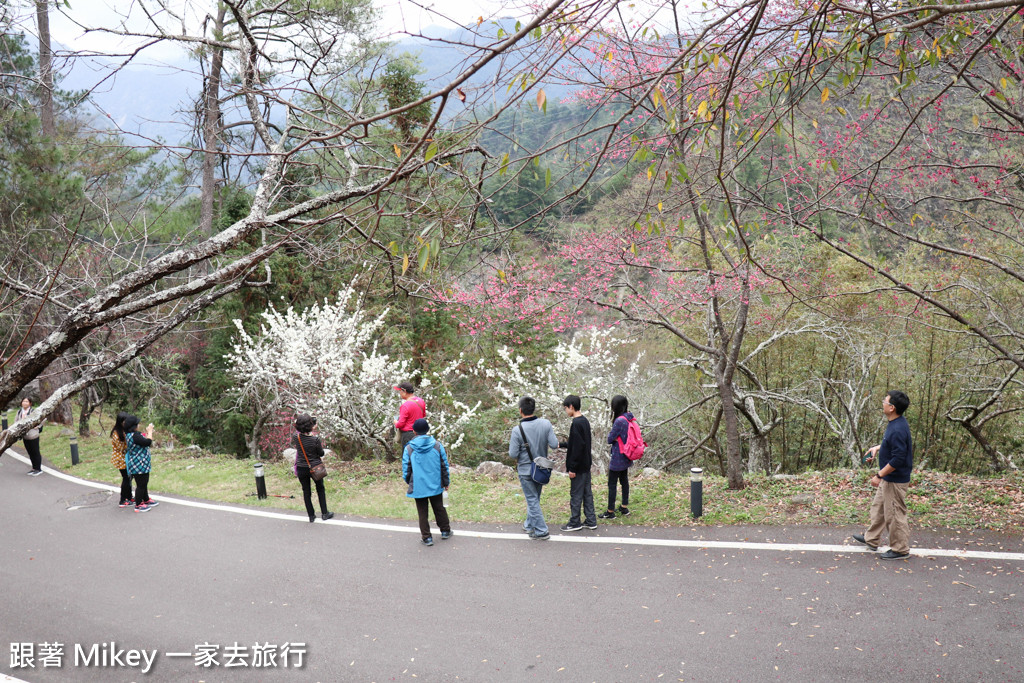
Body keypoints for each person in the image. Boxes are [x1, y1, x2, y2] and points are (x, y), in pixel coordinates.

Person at [852, 390, 914, 560]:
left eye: (885, 401)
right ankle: (871, 539)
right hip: (889, 478)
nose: (883, 403)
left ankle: (900, 549)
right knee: (878, 508)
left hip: (894, 479)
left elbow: (898, 458)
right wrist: (878, 448)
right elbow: (894, 445)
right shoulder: (896, 422)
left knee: (894, 514)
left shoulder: (897, 428)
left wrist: (879, 475)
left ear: (892, 407)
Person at [509, 396, 558, 540]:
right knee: (535, 498)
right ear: (533, 408)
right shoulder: (546, 424)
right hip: (541, 469)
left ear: (520, 410)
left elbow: (512, 454)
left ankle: (542, 531)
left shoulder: (517, 430)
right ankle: (529, 525)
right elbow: (554, 444)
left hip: (525, 470)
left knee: (532, 499)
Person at [402, 418, 452, 546]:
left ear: (414, 431)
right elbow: (444, 465)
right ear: (428, 430)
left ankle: (427, 538)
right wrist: (446, 482)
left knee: (422, 512)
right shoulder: (437, 445)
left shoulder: (409, 448)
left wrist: (410, 482)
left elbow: (406, 469)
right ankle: (445, 531)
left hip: (418, 485)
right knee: (439, 507)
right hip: (435, 483)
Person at [558, 395, 596, 532]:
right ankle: (591, 520)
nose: (565, 411)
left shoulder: (576, 423)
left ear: (571, 407)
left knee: (576, 494)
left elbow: (577, 448)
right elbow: (578, 443)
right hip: (586, 465)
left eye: (565, 408)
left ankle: (575, 522)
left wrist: (572, 468)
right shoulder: (584, 421)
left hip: (578, 467)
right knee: (587, 493)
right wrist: (561, 444)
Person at [293, 414, 333, 523]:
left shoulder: (296, 437)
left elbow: (299, 433)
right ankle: (325, 513)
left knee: (306, 491)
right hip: (315, 468)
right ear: (310, 426)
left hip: (301, 467)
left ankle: (311, 516)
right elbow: (321, 453)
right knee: (320, 489)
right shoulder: (315, 440)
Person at [600, 394, 634, 520]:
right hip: (627, 455)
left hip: (618, 457)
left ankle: (610, 511)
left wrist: (612, 435)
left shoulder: (619, 421)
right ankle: (624, 507)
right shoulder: (629, 417)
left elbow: (610, 439)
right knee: (624, 481)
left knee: (612, 483)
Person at [124, 415, 159, 513]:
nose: (138, 425)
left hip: (137, 463)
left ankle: (146, 499)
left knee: (143, 482)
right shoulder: (135, 435)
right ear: (134, 426)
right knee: (141, 484)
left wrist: (148, 432)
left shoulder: (130, 435)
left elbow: (142, 440)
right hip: (139, 464)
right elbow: (148, 442)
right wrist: (150, 431)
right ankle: (138, 504)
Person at [110, 411, 134, 507]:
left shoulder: (124, 430)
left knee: (129, 478)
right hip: (121, 458)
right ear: (120, 422)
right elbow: (122, 448)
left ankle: (129, 496)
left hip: (126, 457)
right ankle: (122, 499)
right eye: (124, 422)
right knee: (126, 478)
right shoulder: (116, 433)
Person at [393, 381, 426, 451]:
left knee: (408, 458)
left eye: (400, 391)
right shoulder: (421, 401)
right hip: (420, 434)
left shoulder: (405, 405)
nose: (399, 393)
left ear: (404, 391)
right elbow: (423, 415)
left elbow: (400, 424)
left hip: (408, 434)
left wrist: (396, 422)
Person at [16, 397, 44, 476]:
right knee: (30, 452)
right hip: (25, 436)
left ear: (30, 403)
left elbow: (43, 419)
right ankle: (33, 468)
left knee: (35, 452)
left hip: (33, 435)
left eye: (27, 401)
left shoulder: (33, 411)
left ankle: (38, 469)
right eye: (23, 401)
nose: (25, 403)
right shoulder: (19, 412)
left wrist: (37, 426)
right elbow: (16, 422)